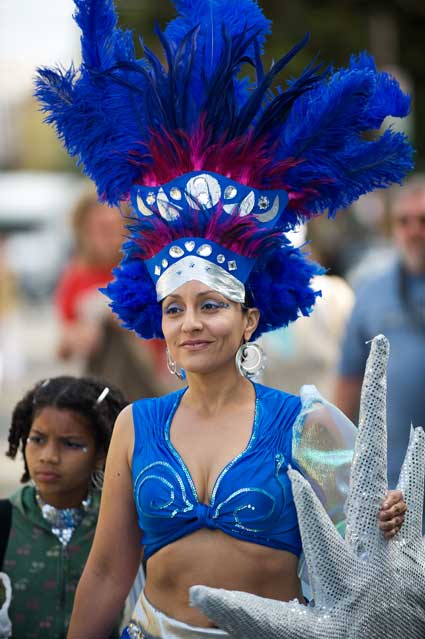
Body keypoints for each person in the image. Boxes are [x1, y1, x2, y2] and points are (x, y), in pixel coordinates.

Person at [35, 1, 413, 637]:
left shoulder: (307, 423)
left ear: (249, 319)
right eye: (175, 309)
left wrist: (388, 516)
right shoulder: (135, 425)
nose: (191, 324)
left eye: (211, 306)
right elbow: (105, 574)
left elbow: (372, 553)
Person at [0, 376, 127, 639]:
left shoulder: (122, 524)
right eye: (37, 439)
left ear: (101, 454)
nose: (49, 456)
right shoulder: (5, 520)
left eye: (71, 444)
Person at [334, 174, 425, 500]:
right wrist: (340, 469)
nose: (414, 231)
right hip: (389, 490)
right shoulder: (371, 293)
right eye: (404, 222)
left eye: (423, 220)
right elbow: (347, 385)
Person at [55, 189, 167, 401]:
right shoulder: (75, 276)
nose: (108, 237)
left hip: (147, 386)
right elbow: (62, 348)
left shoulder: (145, 269)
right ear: (83, 230)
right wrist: (78, 337)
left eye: (114, 227)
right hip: (99, 388)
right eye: (99, 229)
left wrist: (127, 320)